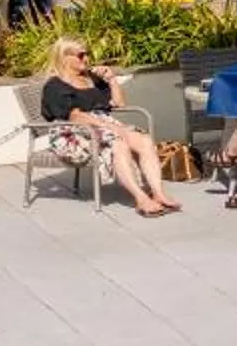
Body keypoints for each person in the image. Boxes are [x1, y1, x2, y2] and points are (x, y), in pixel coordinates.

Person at [40, 36, 179, 216]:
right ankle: (141, 198)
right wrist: (110, 127)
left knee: (144, 140)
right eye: (81, 55)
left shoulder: (92, 79)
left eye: (87, 54)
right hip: (73, 132)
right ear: (65, 57)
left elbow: (119, 104)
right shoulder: (55, 85)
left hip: (101, 124)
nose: (86, 58)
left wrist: (112, 79)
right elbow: (75, 115)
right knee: (118, 142)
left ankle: (159, 194)